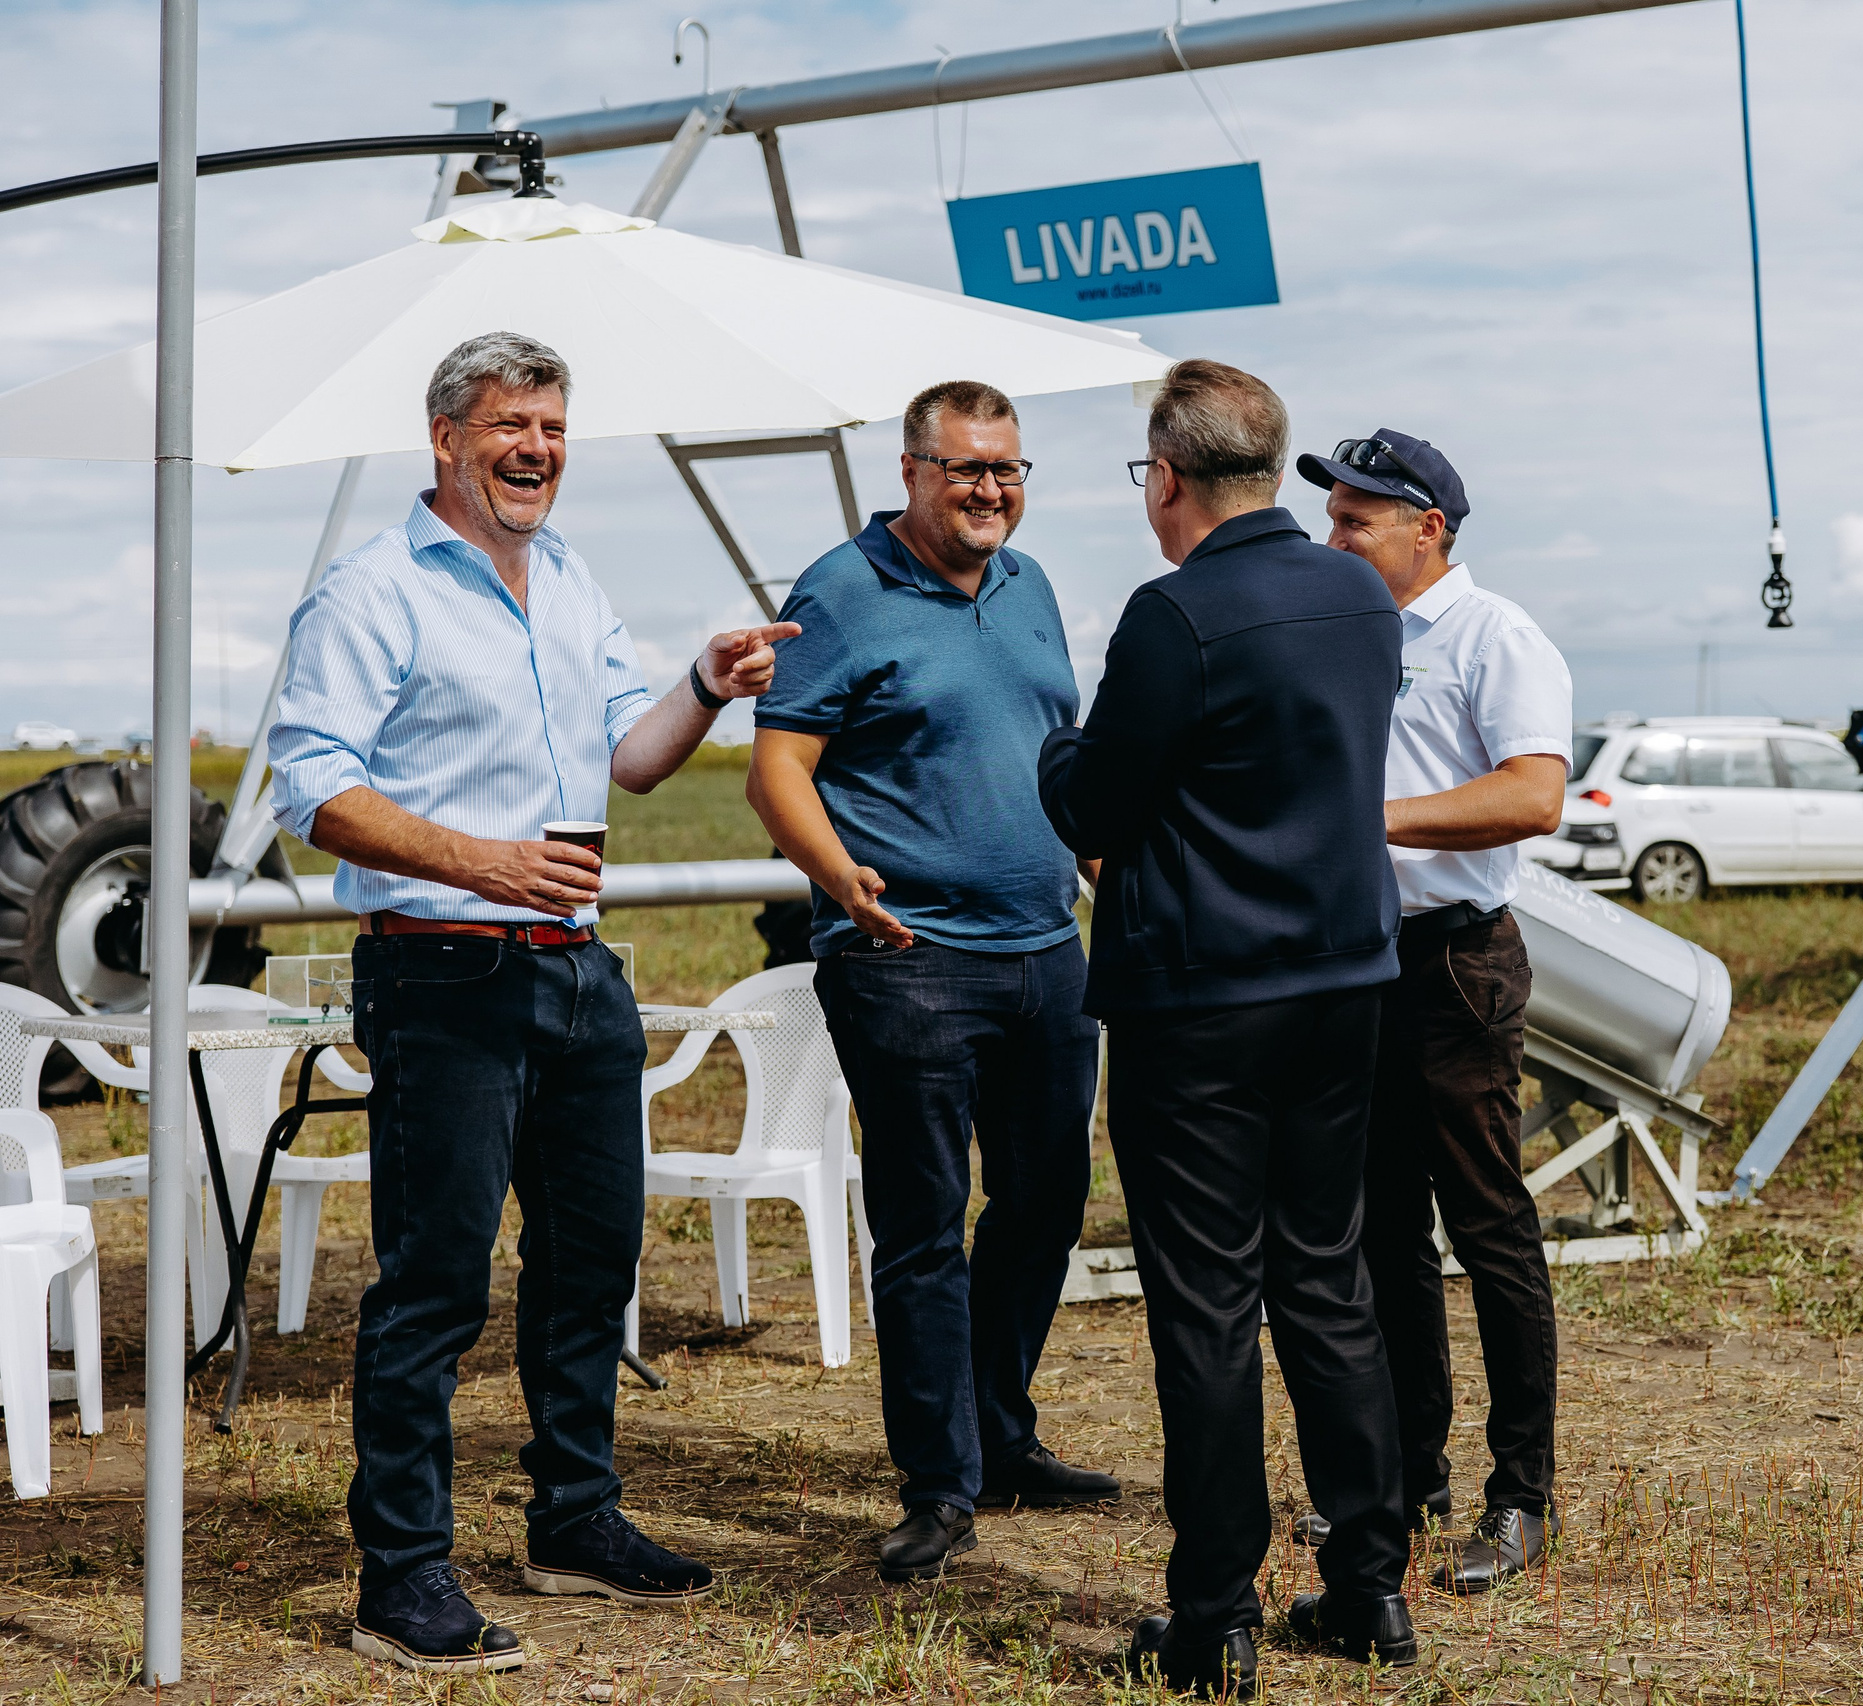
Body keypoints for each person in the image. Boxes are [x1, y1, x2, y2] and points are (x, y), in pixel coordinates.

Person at [267, 332, 799, 1673]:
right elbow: (312, 788)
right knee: (435, 1282)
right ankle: (402, 1575)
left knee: (593, 1262)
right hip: (441, 969)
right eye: (512, 425)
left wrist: (706, 685)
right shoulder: (372, 590)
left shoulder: (567, 578)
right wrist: (483, 860)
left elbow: (633, 756)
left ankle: (574, 1518)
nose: (537, 449)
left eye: (553, 428)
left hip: (576, 966)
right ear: (445, 436)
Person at [1039, 358, 1418, 1700]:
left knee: (1207, 1306)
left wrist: (1056, 750)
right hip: (1341, 982)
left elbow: (1096, 804)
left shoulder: (1175, 613)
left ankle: (1213, 1616)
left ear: (1168, 480)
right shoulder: (1359, 594)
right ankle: (1369, 1583)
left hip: (1200, 998)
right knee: (1328, 1277)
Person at [746, 380, 1116, 1585]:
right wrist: (838, 879)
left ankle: (1001, 1436)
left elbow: (1053, 753)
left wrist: (1099, 859)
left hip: (1045, 951)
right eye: (966, 468)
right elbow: (777, 770)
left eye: (1007, 468)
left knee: (1045, 1200)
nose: (989, 489)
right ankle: (940, 1484)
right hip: (907, 961)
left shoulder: (1031, 584)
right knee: (922, 1224)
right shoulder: (839, 592)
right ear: (909, 472)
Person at [1296, 429, 1572, 1593]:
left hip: (1453, 962)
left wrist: (1371, 819)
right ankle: (1408, 1476)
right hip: (1353, 960)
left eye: (1355, 520)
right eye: (1330, 516)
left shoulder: (1493, 635)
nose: (1332, 537)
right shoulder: (1343, 633)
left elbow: (1534, 793)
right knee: (1380, 1235)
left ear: (1429, 530)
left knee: (1486, 1222)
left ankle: (1522, 1495)